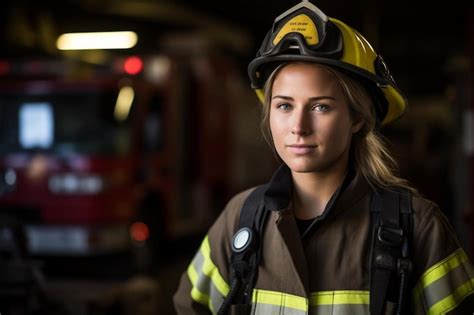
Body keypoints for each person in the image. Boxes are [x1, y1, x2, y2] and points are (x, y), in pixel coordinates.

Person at [173, 1, 474, 314]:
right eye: (285, 106)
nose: (299, 128)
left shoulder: (418, 227)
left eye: (320, 107)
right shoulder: (239, 220)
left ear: (358, 118)